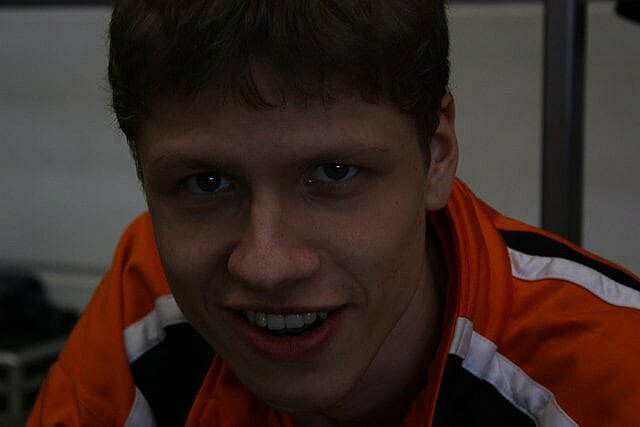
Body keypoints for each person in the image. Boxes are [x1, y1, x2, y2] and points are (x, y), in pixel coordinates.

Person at [28, 1, 640, 426]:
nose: (266, 264)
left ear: (436, 156)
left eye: (334, 172)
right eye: (206, 183)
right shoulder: (150, 298)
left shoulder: (613, 377)